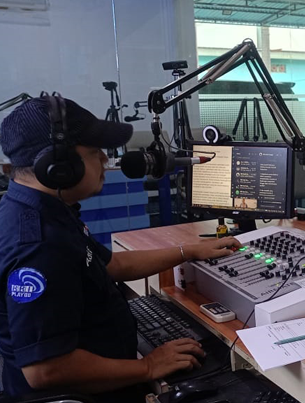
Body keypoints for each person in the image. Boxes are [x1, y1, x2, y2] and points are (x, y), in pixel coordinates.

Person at [0, 97, 242, 402]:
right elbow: (46, 370)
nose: (105, 159)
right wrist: (148, 367)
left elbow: (111, 266)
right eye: (94, 151)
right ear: (59, 166)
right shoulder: (39, 246)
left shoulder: (42, 210)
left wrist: (189, 251)